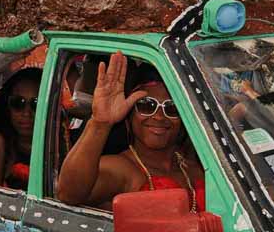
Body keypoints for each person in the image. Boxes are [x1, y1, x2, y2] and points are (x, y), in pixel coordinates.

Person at [56, 52, 205, 211]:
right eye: (147, 105)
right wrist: (100, 123)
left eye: (171, 108)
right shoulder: (122, 168)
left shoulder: (198, 165)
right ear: (129, 114)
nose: (159, 117)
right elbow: (68, 194)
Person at [0, 68, 42, 190]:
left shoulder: (58, 141)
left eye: (35, 104)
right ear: (7, 105)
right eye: (18, 103)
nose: (27, 113)